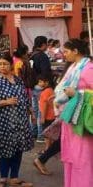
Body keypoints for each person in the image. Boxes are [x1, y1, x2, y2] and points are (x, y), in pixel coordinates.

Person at [0, 54, 35, 187]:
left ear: (11, 65)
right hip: (3, 122)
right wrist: (5, 102)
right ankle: (3, 178)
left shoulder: (18, 80)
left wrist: (30, 109)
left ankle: (14, 177)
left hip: (20, 120)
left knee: (18, 148)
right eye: (0, 64)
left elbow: (25, 96)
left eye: (5, 64)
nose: (2, 66)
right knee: (5, 149)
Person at [52, 39, 93, 187]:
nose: (64, 54)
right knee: (72, 157)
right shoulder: (73, 67)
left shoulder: (88, 69)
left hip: (81, 121)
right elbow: (65, 87)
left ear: (76, 51)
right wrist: (60, 96)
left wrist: (76, 93)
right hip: (70, 118)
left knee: (82, 158)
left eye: (67, 51)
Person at [30, 36, 52, 143]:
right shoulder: (42, 56)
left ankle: (33, 132)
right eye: (46, 44)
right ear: (43, 44)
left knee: (34, 110)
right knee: (41, 111)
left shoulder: (32, 55)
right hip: (41, 86)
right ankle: (40, 135)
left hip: (33, 86)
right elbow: (45, 72)